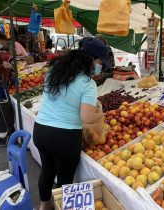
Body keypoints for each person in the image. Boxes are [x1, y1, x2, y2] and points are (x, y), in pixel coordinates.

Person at [33, 37, 111, 210]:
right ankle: (61, 206)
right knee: (65, 180)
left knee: (47, 170)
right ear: (90, 59)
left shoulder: (55, 71)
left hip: (41, 130)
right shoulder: (87, 83)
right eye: (100, 62)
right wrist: (101, 113)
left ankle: (43, 206)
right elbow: (87, 117)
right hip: (64, 137)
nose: (101, 67)